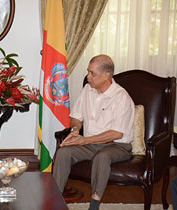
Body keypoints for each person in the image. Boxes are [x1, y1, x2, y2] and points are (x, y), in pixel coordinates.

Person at [53, 55, 135, 210]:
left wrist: (84, 141)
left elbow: (116, 133)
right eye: (88, 72)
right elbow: (76, 117)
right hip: (90, 143)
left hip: (117, 146)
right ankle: (56, 200)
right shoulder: (87, 90)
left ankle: (94, 204)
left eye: (93, 74)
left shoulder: (121, 97)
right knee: (64, 152)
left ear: (106, 76)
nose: (88, 77)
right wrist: (76, 130)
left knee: (102, 157)